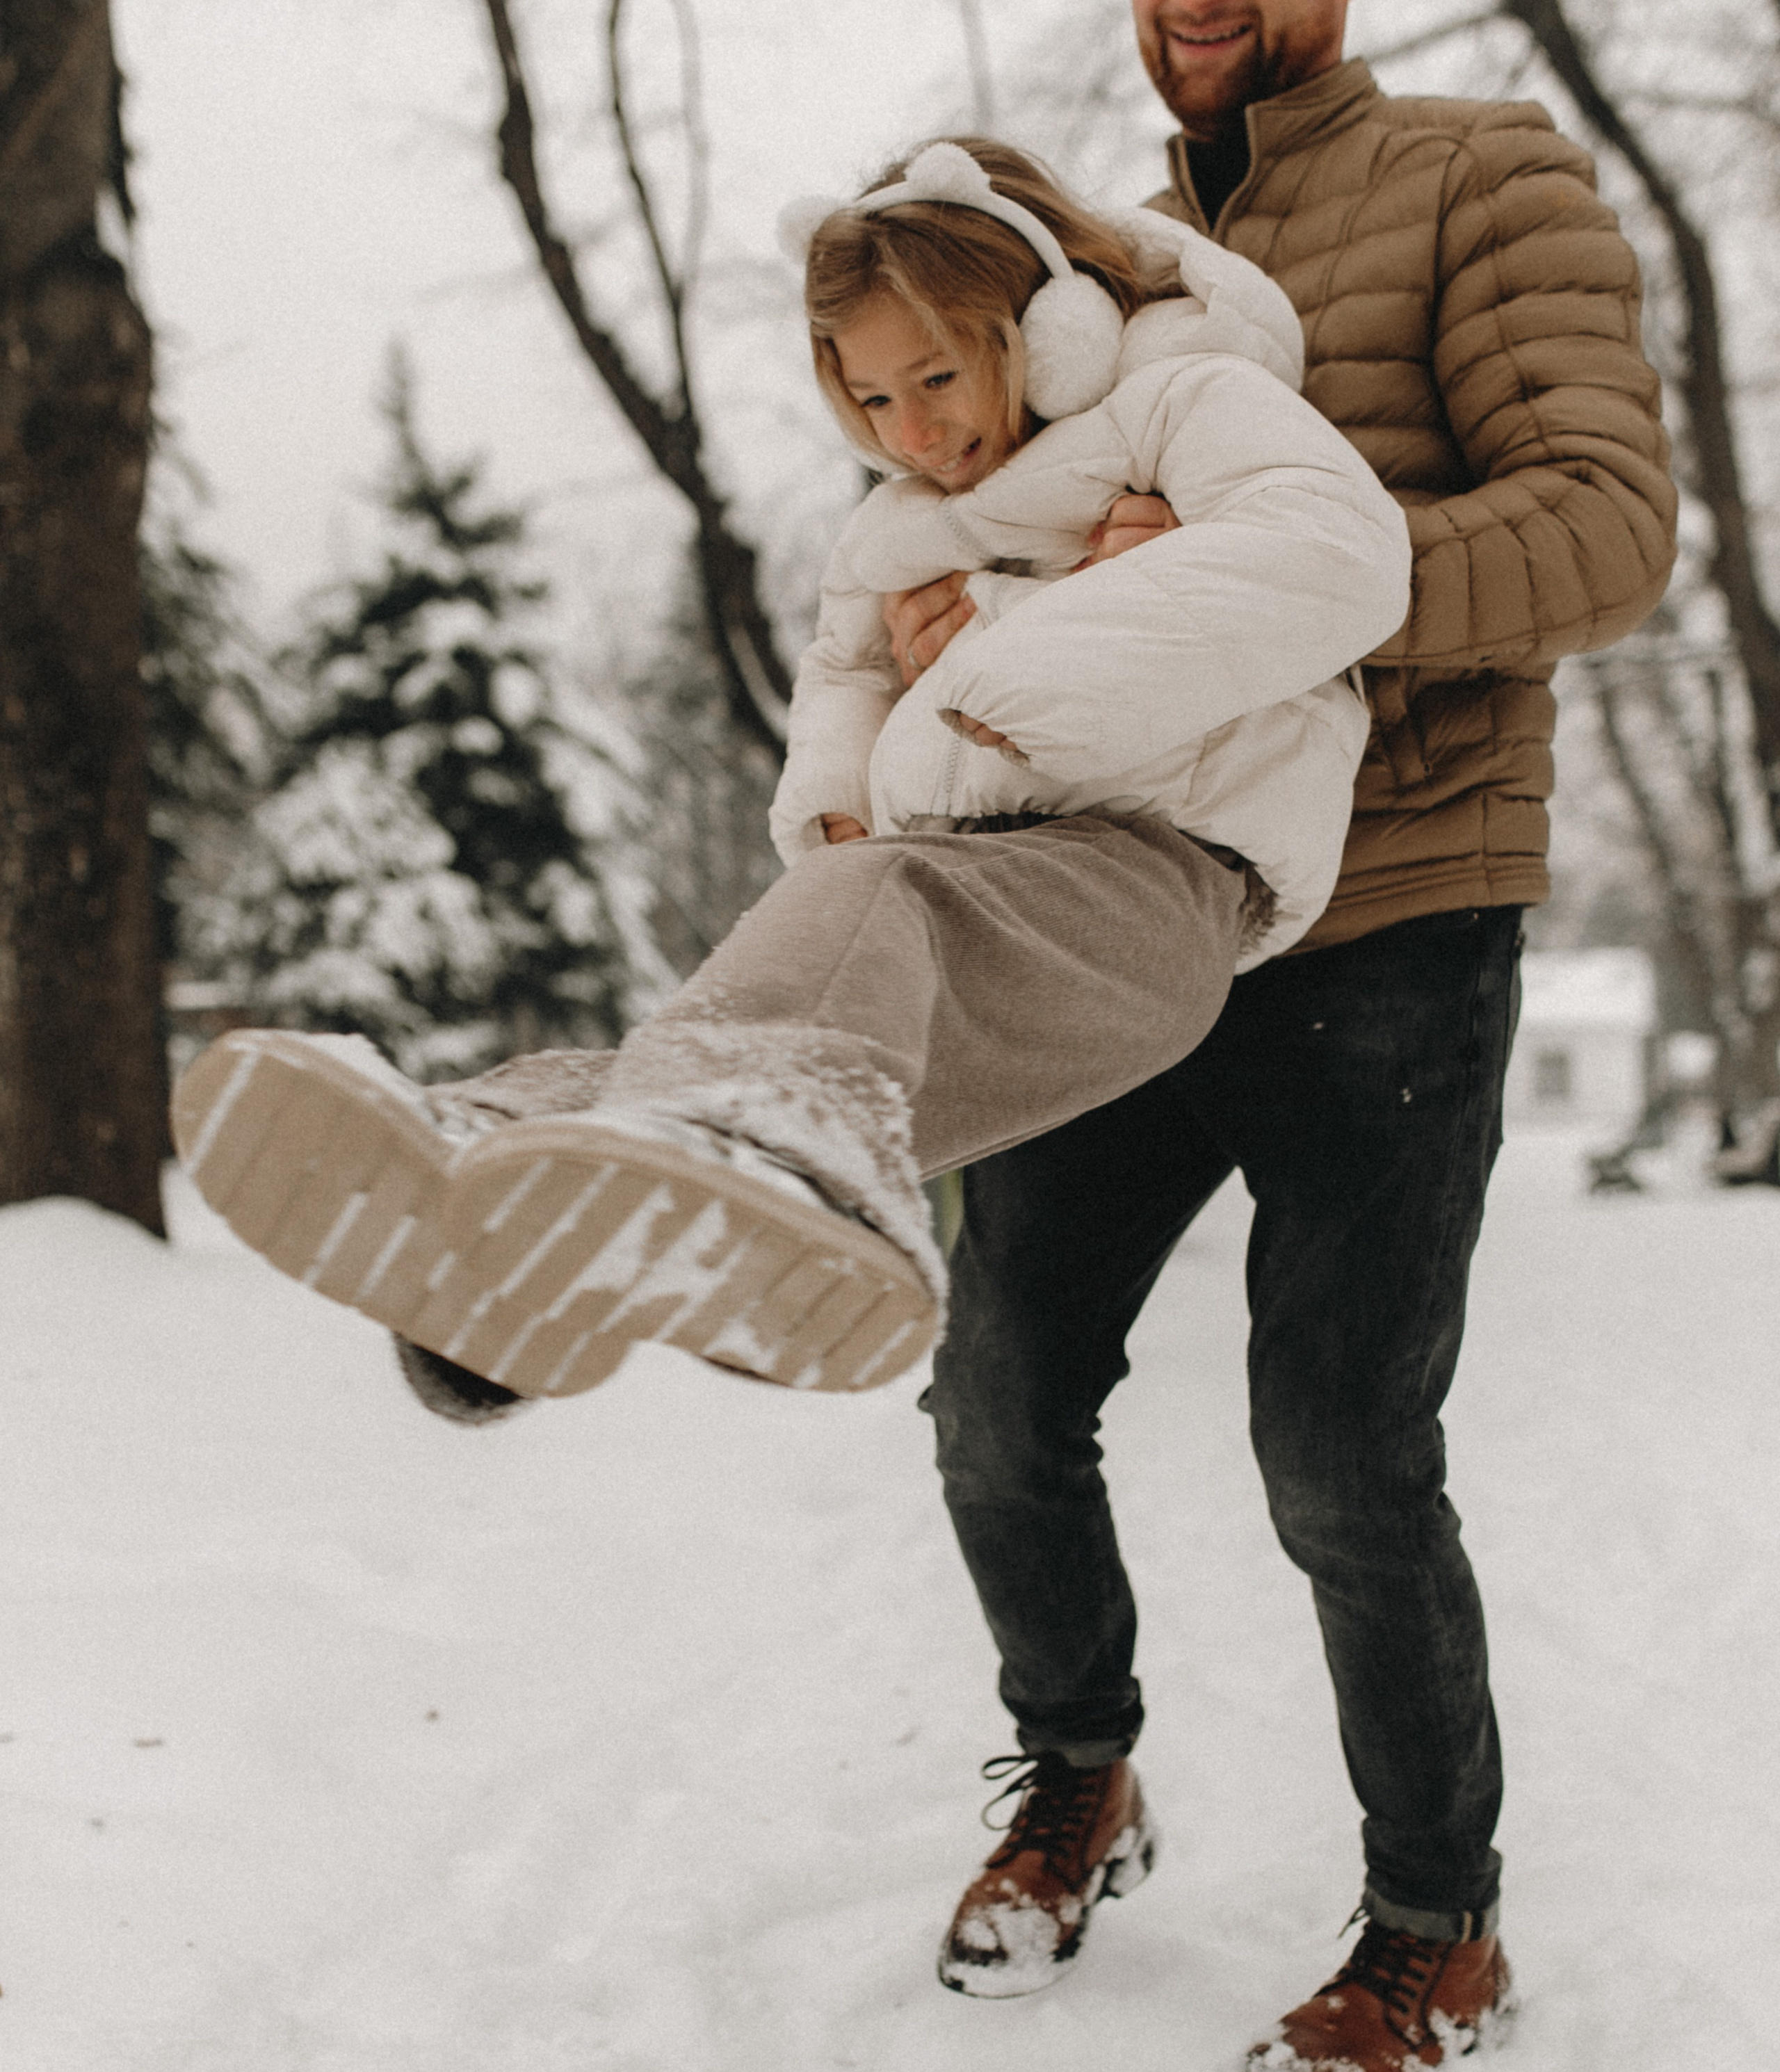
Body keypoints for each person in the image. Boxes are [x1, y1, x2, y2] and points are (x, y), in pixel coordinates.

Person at [896, 2, 1676, 2072]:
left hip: (1398, 907)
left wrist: (1262, 592)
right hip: (1130, 903)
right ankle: (1080, 1779)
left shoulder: (1478, 176)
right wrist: (964, 623)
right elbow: (1029, 543)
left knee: (1339, 1450)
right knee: (993, 1392)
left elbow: (1606, 527)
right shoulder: (1104, 260)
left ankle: (1440, 1919)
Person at [172, 138, 1406, 1435]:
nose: (910, 429)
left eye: (937, 375)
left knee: (866, 918)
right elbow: (841, 680)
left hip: (1160, 881)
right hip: (1006, 894)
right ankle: (504, 1203)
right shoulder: (888, 529)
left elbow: (1340, 552)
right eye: (871, 401)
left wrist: (1021, 647)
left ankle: (777, 1134)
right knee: (757, 1026)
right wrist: (837, 797)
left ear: (1051, 334)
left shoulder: (1184, 407)